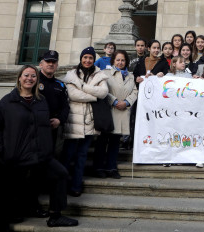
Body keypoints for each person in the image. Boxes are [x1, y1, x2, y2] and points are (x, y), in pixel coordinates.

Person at [0, 65, 77, 232]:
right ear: (19, 78)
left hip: (39, 154)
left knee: (60, 174)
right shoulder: (7, 102)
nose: (29, 79)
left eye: (33, 76)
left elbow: (43, 123)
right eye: (26, 75)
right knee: (5, 196)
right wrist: (2, 150)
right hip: (14, 155)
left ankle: (55, 215)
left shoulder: (40, 101)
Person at [61, 47, 109, 197]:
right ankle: (61, 186)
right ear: (81, 59)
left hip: (89, 121)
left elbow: (103, 92)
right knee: (67, 156)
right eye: (85, 57)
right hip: (73, 121)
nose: (87, 60)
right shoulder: (71, 74)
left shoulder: (100, 74)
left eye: (90, 58)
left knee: (82, 156)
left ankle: (76, 185)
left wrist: (83, 86)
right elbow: (72, 94)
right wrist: (93, 95)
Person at [97, 50, 137, 179]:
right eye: (118, 60)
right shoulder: (105, 73)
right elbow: (103, 90)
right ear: (113, 60)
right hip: (109, 111)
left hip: (122, 111)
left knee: (115, 142)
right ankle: (99, 167)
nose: (120, 62)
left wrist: (126, 102)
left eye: (123, 60)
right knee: (103, 141)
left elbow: (135, 92)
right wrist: (114, 101)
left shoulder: (130, 76)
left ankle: (111, 167)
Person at [37, 50, 69, 150]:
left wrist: (59, 120)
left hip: (52, 127)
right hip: (35, 127)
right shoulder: (33, 81)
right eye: (48, 61)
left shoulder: (60, 84)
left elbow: (65, 106)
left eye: (54, 62)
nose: (51, 64)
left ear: (57, 65)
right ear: (41, 64)